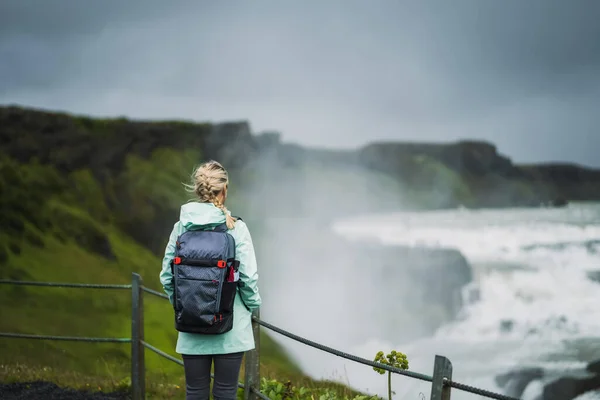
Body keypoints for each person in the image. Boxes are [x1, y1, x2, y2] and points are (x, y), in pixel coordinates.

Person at [159, 160, 262, 400]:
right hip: (231, 328)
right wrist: (252, 305)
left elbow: (166, 276)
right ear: (224, 190)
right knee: (226, 393)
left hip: (191, 324)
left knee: (195, 392)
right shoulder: (236, 228)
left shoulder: (181, 228)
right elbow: (248, 278)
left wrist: (186, 304)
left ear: (199, 189)